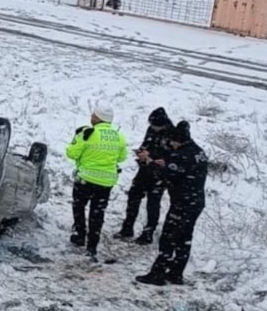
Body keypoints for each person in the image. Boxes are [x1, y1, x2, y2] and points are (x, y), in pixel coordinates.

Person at [136, 121, 208, 286]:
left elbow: (166, 174)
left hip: (183, 203)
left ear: (178, 140)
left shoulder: (182, 156)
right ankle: (176, 273)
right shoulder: (198, 151)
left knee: (168, 238)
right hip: (195, 201)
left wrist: (149, 162)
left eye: (172, 142)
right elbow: (177, 167)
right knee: (184, 239)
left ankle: (157, 274)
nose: (171, 145)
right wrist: (165, 163)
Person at [65, 103, 128, 259]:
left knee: (79, 206)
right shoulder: (119, 136)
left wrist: (76, 139)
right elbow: (122, 157)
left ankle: (80, 235)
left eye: (93, 115)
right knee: (97, 213)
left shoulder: (88, 133)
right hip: (106, 182)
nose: (91, 117)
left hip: (85, 179)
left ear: (98, 118)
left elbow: (71, 153)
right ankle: (92, 246)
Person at [114, 107, 174, 245]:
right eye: (151, 125)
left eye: (155, 125)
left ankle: (148, 233)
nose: (153, 127)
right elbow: (146, 144)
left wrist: (152, 157)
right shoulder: (151, 130)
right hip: (145, 169)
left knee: (153, 203)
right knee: (133, 196)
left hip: (159, 174)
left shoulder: (172, 134)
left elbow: (170, 156)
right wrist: (142, 152)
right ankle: (127, 228)